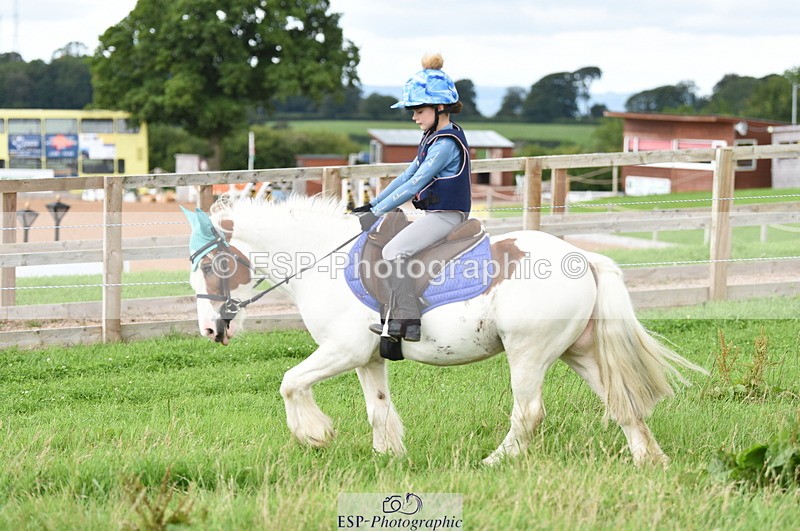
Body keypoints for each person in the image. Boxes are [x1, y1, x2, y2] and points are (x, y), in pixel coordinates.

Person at [353, 53, 471, 342]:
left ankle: (409, 319)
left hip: (447, 216)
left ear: (440, 107)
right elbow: (405, 177)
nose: (414, 116)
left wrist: (378, 211)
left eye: (419, 110)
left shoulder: (445, 144)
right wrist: (373, 203)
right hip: (435, 214)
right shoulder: (431, 138)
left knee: (393, 252)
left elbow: (415, 184)